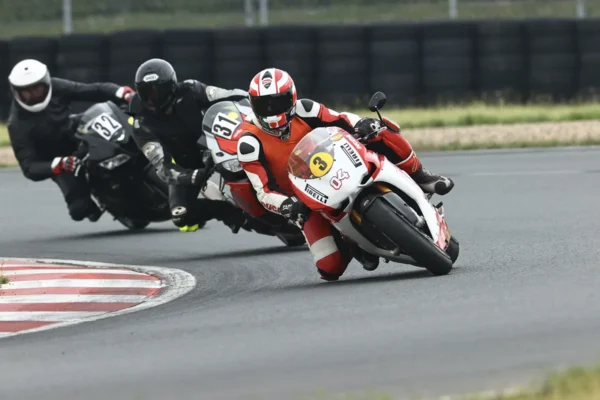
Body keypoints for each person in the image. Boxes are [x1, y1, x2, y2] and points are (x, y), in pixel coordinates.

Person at [236, 67, 455, 281]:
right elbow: (263, 192)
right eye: (264, 105)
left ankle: (421, 176)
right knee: (330, 268)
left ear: (292, 98)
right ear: (252, 105)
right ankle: (352, 241)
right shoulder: (248, 143)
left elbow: (341, 119)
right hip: (306, 199)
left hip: (338, 161)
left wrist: (361, 124)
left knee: (381, 129)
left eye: (279, 102)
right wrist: (288, 206)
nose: (272, 111)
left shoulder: (306, 109)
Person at [128, 58, 250, 232]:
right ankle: (226, 211)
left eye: (158, 91)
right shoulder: (139, 121)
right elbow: (162, 165)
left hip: (212, 145)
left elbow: (227, 94)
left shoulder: (191, 89)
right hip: (184, 164)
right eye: (146, 93)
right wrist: (190, 177)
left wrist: (251, 100)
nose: (152, 98)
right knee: (181, 217)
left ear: (171, 85)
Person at [7, 58, 135, 222]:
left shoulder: (56, 86)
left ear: (46, 83)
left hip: (74, 131)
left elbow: (92, 90)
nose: (33, 94)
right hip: (59, 159)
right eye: (26, 91)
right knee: (80, 210)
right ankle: (105, 198)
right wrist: (57, 165)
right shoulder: (16, 124)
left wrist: (120, 92)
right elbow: (29, 167)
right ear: (16, 91)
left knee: (112, 117)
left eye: (37, 88)